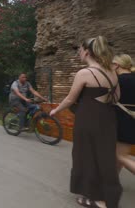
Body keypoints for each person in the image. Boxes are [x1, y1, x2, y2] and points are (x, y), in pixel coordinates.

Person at [50, 36, 121, 208]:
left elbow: (70, 99)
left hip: (88, 120)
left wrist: (55, 110)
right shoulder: (112, 71)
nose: (79, 54)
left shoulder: (85, 73)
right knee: (105, 157)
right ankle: (108, 197)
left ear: (87, 52)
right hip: (108, 118)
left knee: (87, 157)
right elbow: (117, 97)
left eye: (80, 51)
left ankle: (96, 200)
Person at [113, 54, 135, 175]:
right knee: (119, 154)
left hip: (124, 121)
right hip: (131, 120)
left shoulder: (118, 80)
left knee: (121, 156)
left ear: (117, 65)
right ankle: (113, 180)